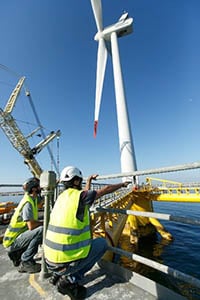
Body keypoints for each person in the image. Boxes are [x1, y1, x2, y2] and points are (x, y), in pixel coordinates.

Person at [44, 166, 130, 300]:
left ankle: (60, 275)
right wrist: (122, 184)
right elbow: (105, 190)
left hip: (49, 260)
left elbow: (85, 194)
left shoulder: (60, 198)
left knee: (81, 246)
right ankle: (70, 280)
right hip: (64, 264)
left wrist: (89, 180)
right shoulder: (81, 197)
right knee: (102, 243)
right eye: (80, 180)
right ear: (77, 181)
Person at [3, 177, 43, 273]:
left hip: (16, 238)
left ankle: (19, 255)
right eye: (39, 186)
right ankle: (26, 261)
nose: (41, 188)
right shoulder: (28, 203)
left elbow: (41, 202)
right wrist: (44, 222)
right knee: (41, 230)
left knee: (37, 231)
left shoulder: (31, 198)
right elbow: (31, 226)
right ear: (33, 189)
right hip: (12, 242)